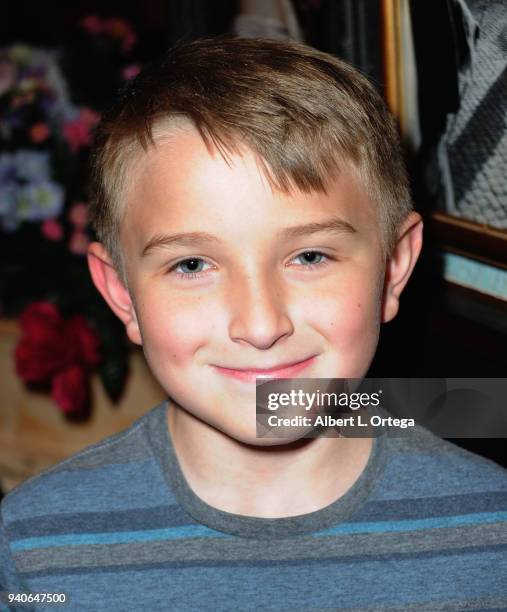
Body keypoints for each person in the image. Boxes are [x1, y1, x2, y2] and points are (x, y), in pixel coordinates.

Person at [1, 37, 506, 612]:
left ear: (393, 268)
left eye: (310, 257)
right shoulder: (35, 548)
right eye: (192, 264)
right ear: (122, 295)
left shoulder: (493, 533)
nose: (261, 325)